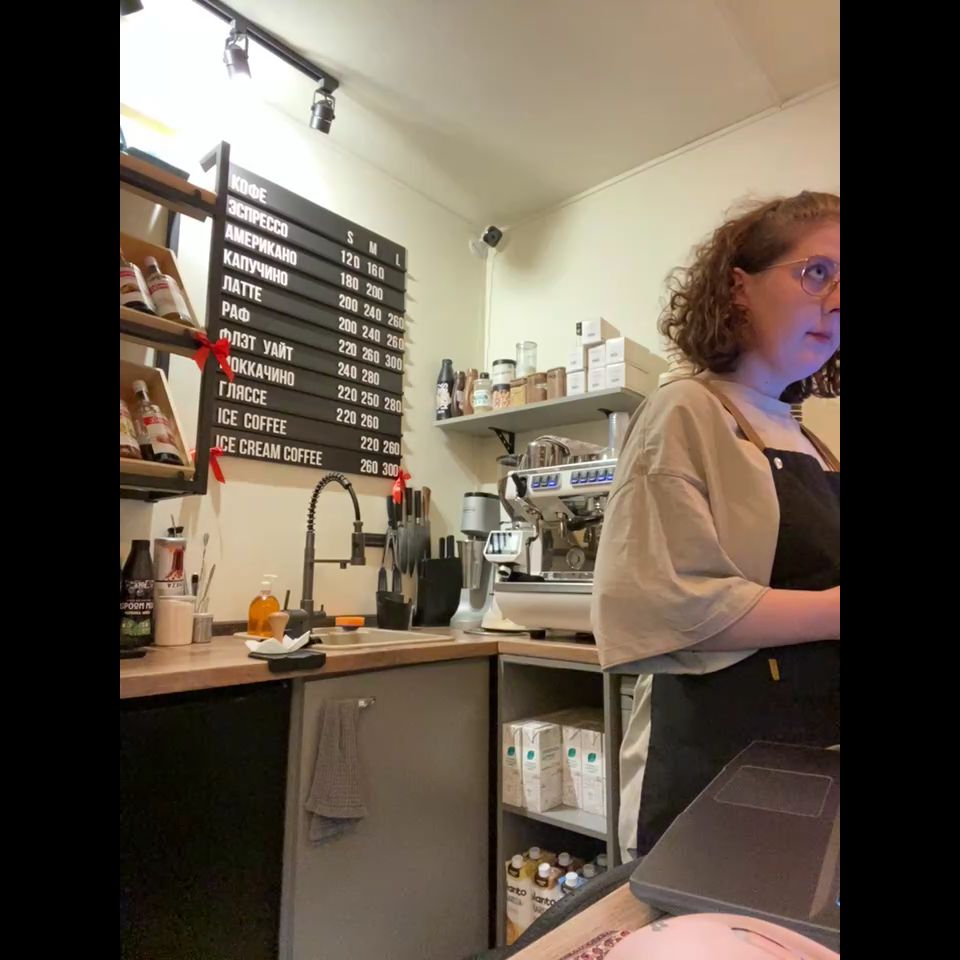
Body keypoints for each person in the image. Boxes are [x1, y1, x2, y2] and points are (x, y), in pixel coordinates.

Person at [591, 191, 840, 860]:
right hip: (710, 765)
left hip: (806, 758)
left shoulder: (811, 442)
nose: (837, 301)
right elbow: (666, 605)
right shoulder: (685, 409)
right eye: (818, 272)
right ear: (738, 287)